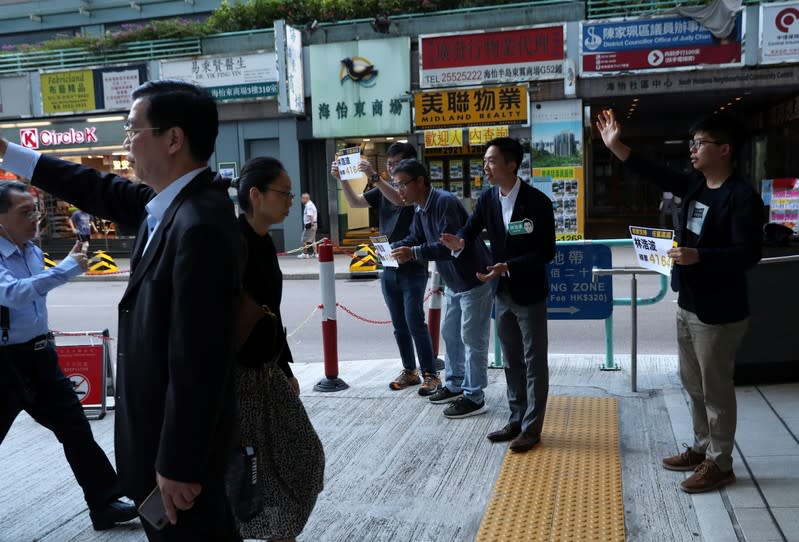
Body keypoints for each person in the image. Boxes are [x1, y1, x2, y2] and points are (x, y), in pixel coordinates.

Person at [0, 80, 242, 540]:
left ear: (173, 139)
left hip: (178, 466)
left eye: (133, 130)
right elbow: (96, 187)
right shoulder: (166, 205)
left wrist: (179, 462)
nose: (127, 142)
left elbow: (199, 361)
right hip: (159, 451)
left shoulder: (200, 225)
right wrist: (8, 152)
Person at [597, 110, 764, 493]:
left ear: (724, 150)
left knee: (716, 390)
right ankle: (702, 447)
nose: (692, 150)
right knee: (693, 384)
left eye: (700, 143)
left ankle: (720, 463)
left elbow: (748, 254)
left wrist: (701, 256)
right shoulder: (695, 186)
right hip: (688, 302)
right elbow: (654, 172)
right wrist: (616, 146)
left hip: (719, 311)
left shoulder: (742, 198)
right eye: (691, 143)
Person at [0, 181, 138, 531]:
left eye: (36, 210)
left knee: (75, 428)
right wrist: (66, 269)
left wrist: (60, 268)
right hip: (4, 363)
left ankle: (105, 503)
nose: (34, 218)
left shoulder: (30, 249)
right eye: (25, 212)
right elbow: (12, 294)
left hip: (40, 355)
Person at [441, 137, 555, 453]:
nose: (486, 167)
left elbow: (546, 252)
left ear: (511, 165)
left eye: (491, 161)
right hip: (501, 291)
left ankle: (532, 428)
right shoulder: (489, 199)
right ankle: (516, 418)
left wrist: (508, 265)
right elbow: (471, 228)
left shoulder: (537, 203)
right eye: (485, 161)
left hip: (529, 293)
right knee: (511, 361)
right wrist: (460, 242)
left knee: (534, 363)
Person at [235, 157, 321, 541]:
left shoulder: (264, 241)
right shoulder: (232, 245)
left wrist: (285, 369)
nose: (290, 201)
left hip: (269, 373)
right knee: (255, 473)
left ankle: (280, 534)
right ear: (255, 195)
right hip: (240, 382)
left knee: (304, 457)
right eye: (283, 193)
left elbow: (273, 310)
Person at [330, 142, 440, 395]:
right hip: (388, 264)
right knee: (399, 323)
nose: (391, 171)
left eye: (396, 165)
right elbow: (357, 202)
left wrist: (373, 177)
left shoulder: (412, 191)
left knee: (414, 320)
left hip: (413, 263)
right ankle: (410, 370)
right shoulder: (383, 189)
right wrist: (343, 179)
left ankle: (431, 374)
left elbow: (400, 201)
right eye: (389, 165)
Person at [390, 159, 493, 419]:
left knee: (473, 340)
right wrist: (393, 248)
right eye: (396, 185)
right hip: (453, 282)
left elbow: (448, 245)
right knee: (451, 334)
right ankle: (456, 383)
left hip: (473, 279)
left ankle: (475, 396)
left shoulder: (444, 202)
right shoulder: (420, 208)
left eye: (403, 184)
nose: (399, 190)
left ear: (421, 182)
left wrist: (412, 252)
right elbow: (416, 238)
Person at [299, 193, 317, 258]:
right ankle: (315, 253)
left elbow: (310, 215)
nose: (301, 200)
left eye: (302, 198)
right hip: (313, 223)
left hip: (310, 224)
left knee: (303, 239)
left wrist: (312, 225)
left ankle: (305, 254)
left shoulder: (308, 206)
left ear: (306, 198)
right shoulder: (311, 204)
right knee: (313, 239)